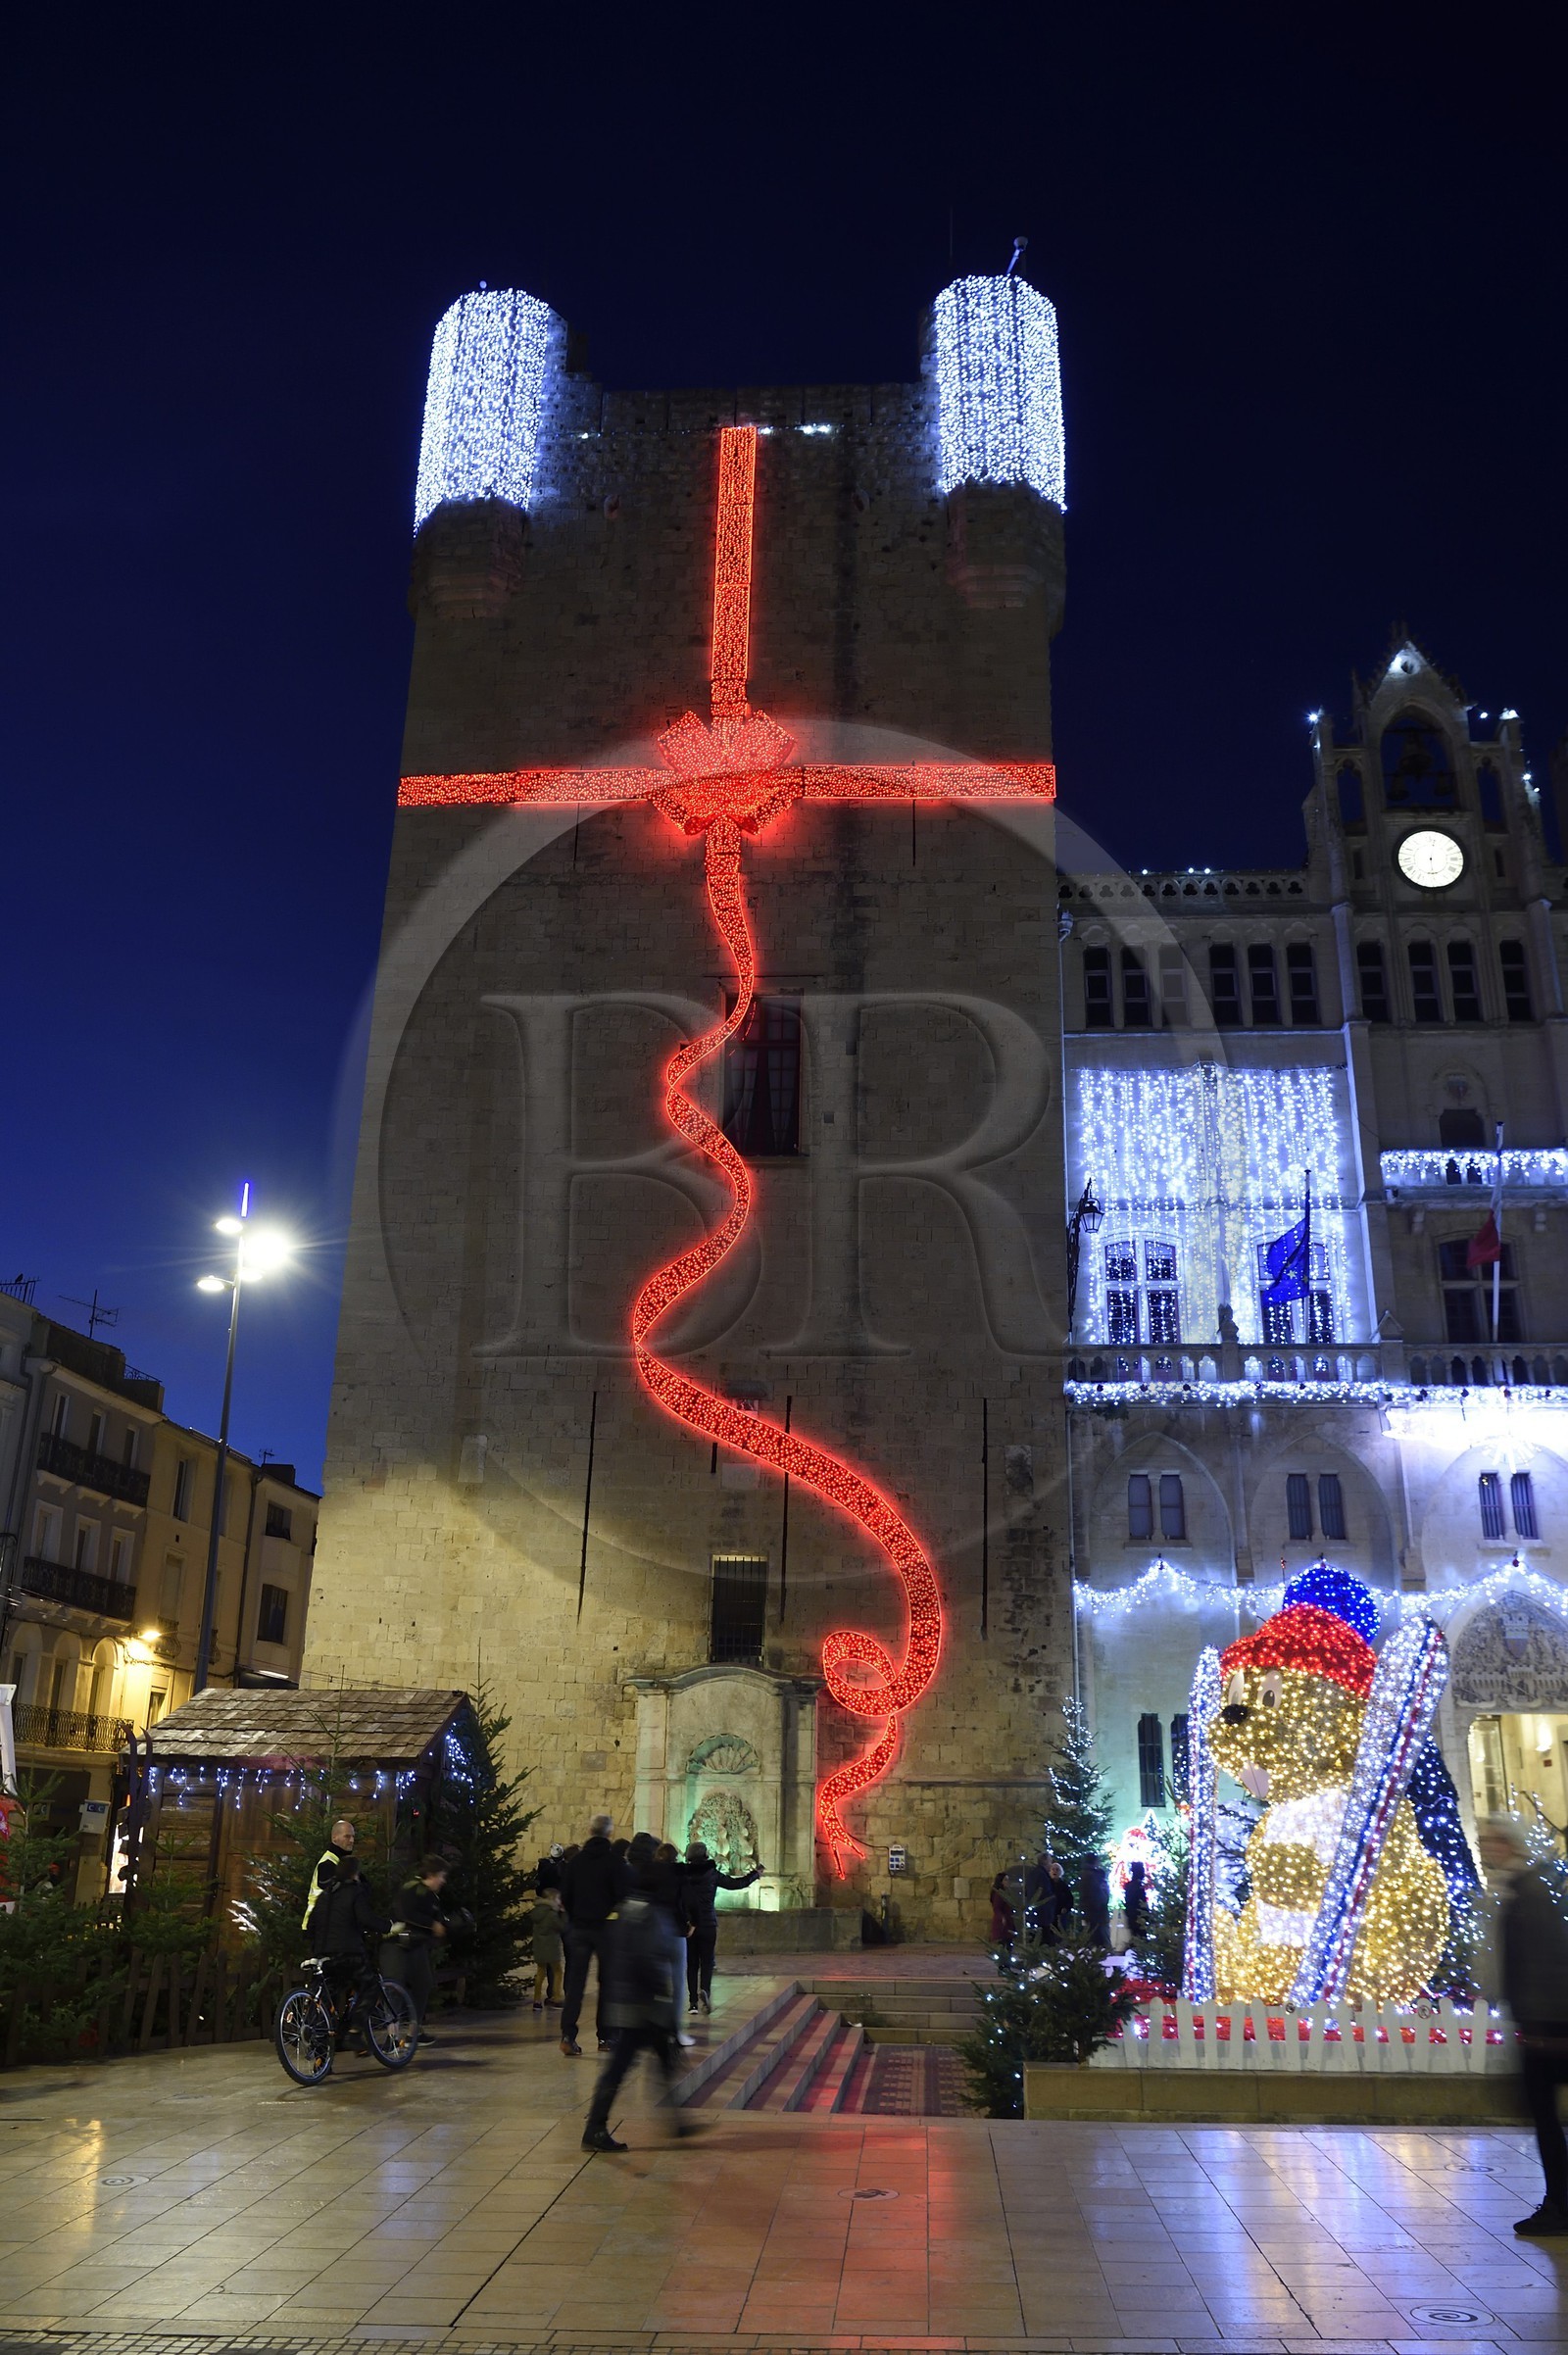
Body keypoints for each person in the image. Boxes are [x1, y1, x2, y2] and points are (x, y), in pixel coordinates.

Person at [1479, 1816, 1568, 2234]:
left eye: (1489, 1841)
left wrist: (1537, 2026)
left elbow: (1545, 1963)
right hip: (1543, 2025)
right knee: (1545, 2119)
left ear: (1507, 1844)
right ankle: (1558, 2203)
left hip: (1546, 2029)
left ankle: (1559, 2207)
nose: (1482, 1848)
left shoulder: (1527, 1893)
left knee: (1547, 2120)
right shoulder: (1519, 1890)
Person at [581, 1844, 699, 2153]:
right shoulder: (645, 1913)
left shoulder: (627, 1908)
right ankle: (595, 2128)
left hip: (632, 2003)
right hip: (639, 2007)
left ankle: (675, 2123)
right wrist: (661, 2002)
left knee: (659, 2061)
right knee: (622, 2066)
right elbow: (646, 1961)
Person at [559, 1813, 630, 2057]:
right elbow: (623, 1897)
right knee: (608, 1984)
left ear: (589, 1830)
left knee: (575, 1985)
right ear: (610, 1833)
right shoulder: (615, 1863)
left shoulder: (576, 1862)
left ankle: (568, 2035)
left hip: (579, 1928)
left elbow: (565, 1896)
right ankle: (606, 2038)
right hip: (606, 1930)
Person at [308, 1853, 389, 2045]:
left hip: (323, 1954)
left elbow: (311, 1925)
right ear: (355, 1874)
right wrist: (388, 1926)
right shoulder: (354, 1891)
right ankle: (355, 2031)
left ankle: (321, 2060)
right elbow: (366, 1918)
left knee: (329, 2000)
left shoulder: (324, 1895)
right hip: (348, 1953)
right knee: (370, 1987)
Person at [679, 1839, 761, 2013]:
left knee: (692, 1963)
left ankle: (692, 2002)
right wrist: (755, 1874)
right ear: (705, 1855)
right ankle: (705, 1991)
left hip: (688, 1925)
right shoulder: (712, 1874)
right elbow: (737, 1884)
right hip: (708, 1924)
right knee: (707, 1962)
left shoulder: (683, 1875)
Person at [379, 1855, 450, 2042]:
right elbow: (406, 1913)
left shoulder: (430, 1895)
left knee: (423, 1984)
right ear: (431, 1874)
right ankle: (392, 2037)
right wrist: (432, 1924)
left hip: (416, 1945)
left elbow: (436, 1916)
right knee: (394, 1987)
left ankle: (414, 2033)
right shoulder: (411, 1889)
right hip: (397, 1945)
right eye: (441, 1876)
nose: (443, 1880)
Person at [301, 1816, 357, 1932]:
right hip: (317, 1925)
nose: (351, 1840)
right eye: (347, 1836)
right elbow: (338, 1894)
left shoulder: (340, 1861)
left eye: (353, 1837)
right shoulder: (328, 1863)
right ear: (334, 1838)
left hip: (325, 1925)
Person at [529, 1885, 566, 2012]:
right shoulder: (551, 1914)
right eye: (558, 1899)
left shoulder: (537, 1912)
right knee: (558, 1971)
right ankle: (556, 1997)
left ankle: (537, 2000)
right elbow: (561, 1927)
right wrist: (564, 1913)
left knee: (540, 1973)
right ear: (552, 1899)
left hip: (539, 1947)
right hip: (551, 1947)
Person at [1081, 1855, 1111, 1947]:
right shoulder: (1094, 1876)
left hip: (1090, 1912)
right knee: (1101, 1939)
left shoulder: (1085, 1875)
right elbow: (1099, 1896)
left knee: (1092, 1937)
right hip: (1098, 1913)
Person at [1123, 1859, 1150, 1944]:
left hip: (1133, 1918)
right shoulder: (1137, 1887)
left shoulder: (1131, 1886)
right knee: (1140, 1940)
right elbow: (1141, 1904)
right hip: (1138, 1919)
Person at [988, 1871, 1016, 1946]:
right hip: (1003, 1923)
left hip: (1008, 1921)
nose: (1008, 1882)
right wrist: (1002, 1918)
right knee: (1004, 1944)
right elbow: (997, 1908)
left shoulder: (1006, 1892)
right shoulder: (999, 1894)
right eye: (1005, 1880)